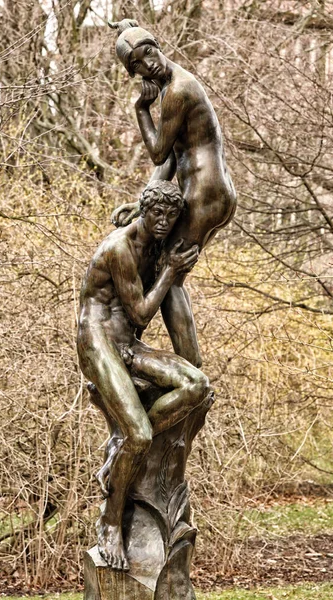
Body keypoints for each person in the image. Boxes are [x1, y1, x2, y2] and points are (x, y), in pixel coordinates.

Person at [77, 180, 210, 571]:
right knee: (138, 433)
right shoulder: (120, 247)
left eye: (172, 215)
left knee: (198, 386)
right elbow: (140, 314)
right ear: (145, 211)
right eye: (159, 214)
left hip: (128, 343)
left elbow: (165, 166)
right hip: (98, 340)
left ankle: (122, 453)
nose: (166, 221)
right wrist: (169, 271)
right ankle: (110, 521)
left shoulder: (155, 237)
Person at [110, 19, 237, 368]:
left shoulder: (178, 90)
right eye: (136, 64)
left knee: (171, 272)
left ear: (157, 45)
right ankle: (154, 345)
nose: (147, 64)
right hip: (210, 193)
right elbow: (169, 163)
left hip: (205, 194)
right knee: (164, 268)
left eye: (147, 52)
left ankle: (191, 369)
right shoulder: (169, 87)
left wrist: (139, 110)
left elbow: (158, 153)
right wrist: (141, 205)